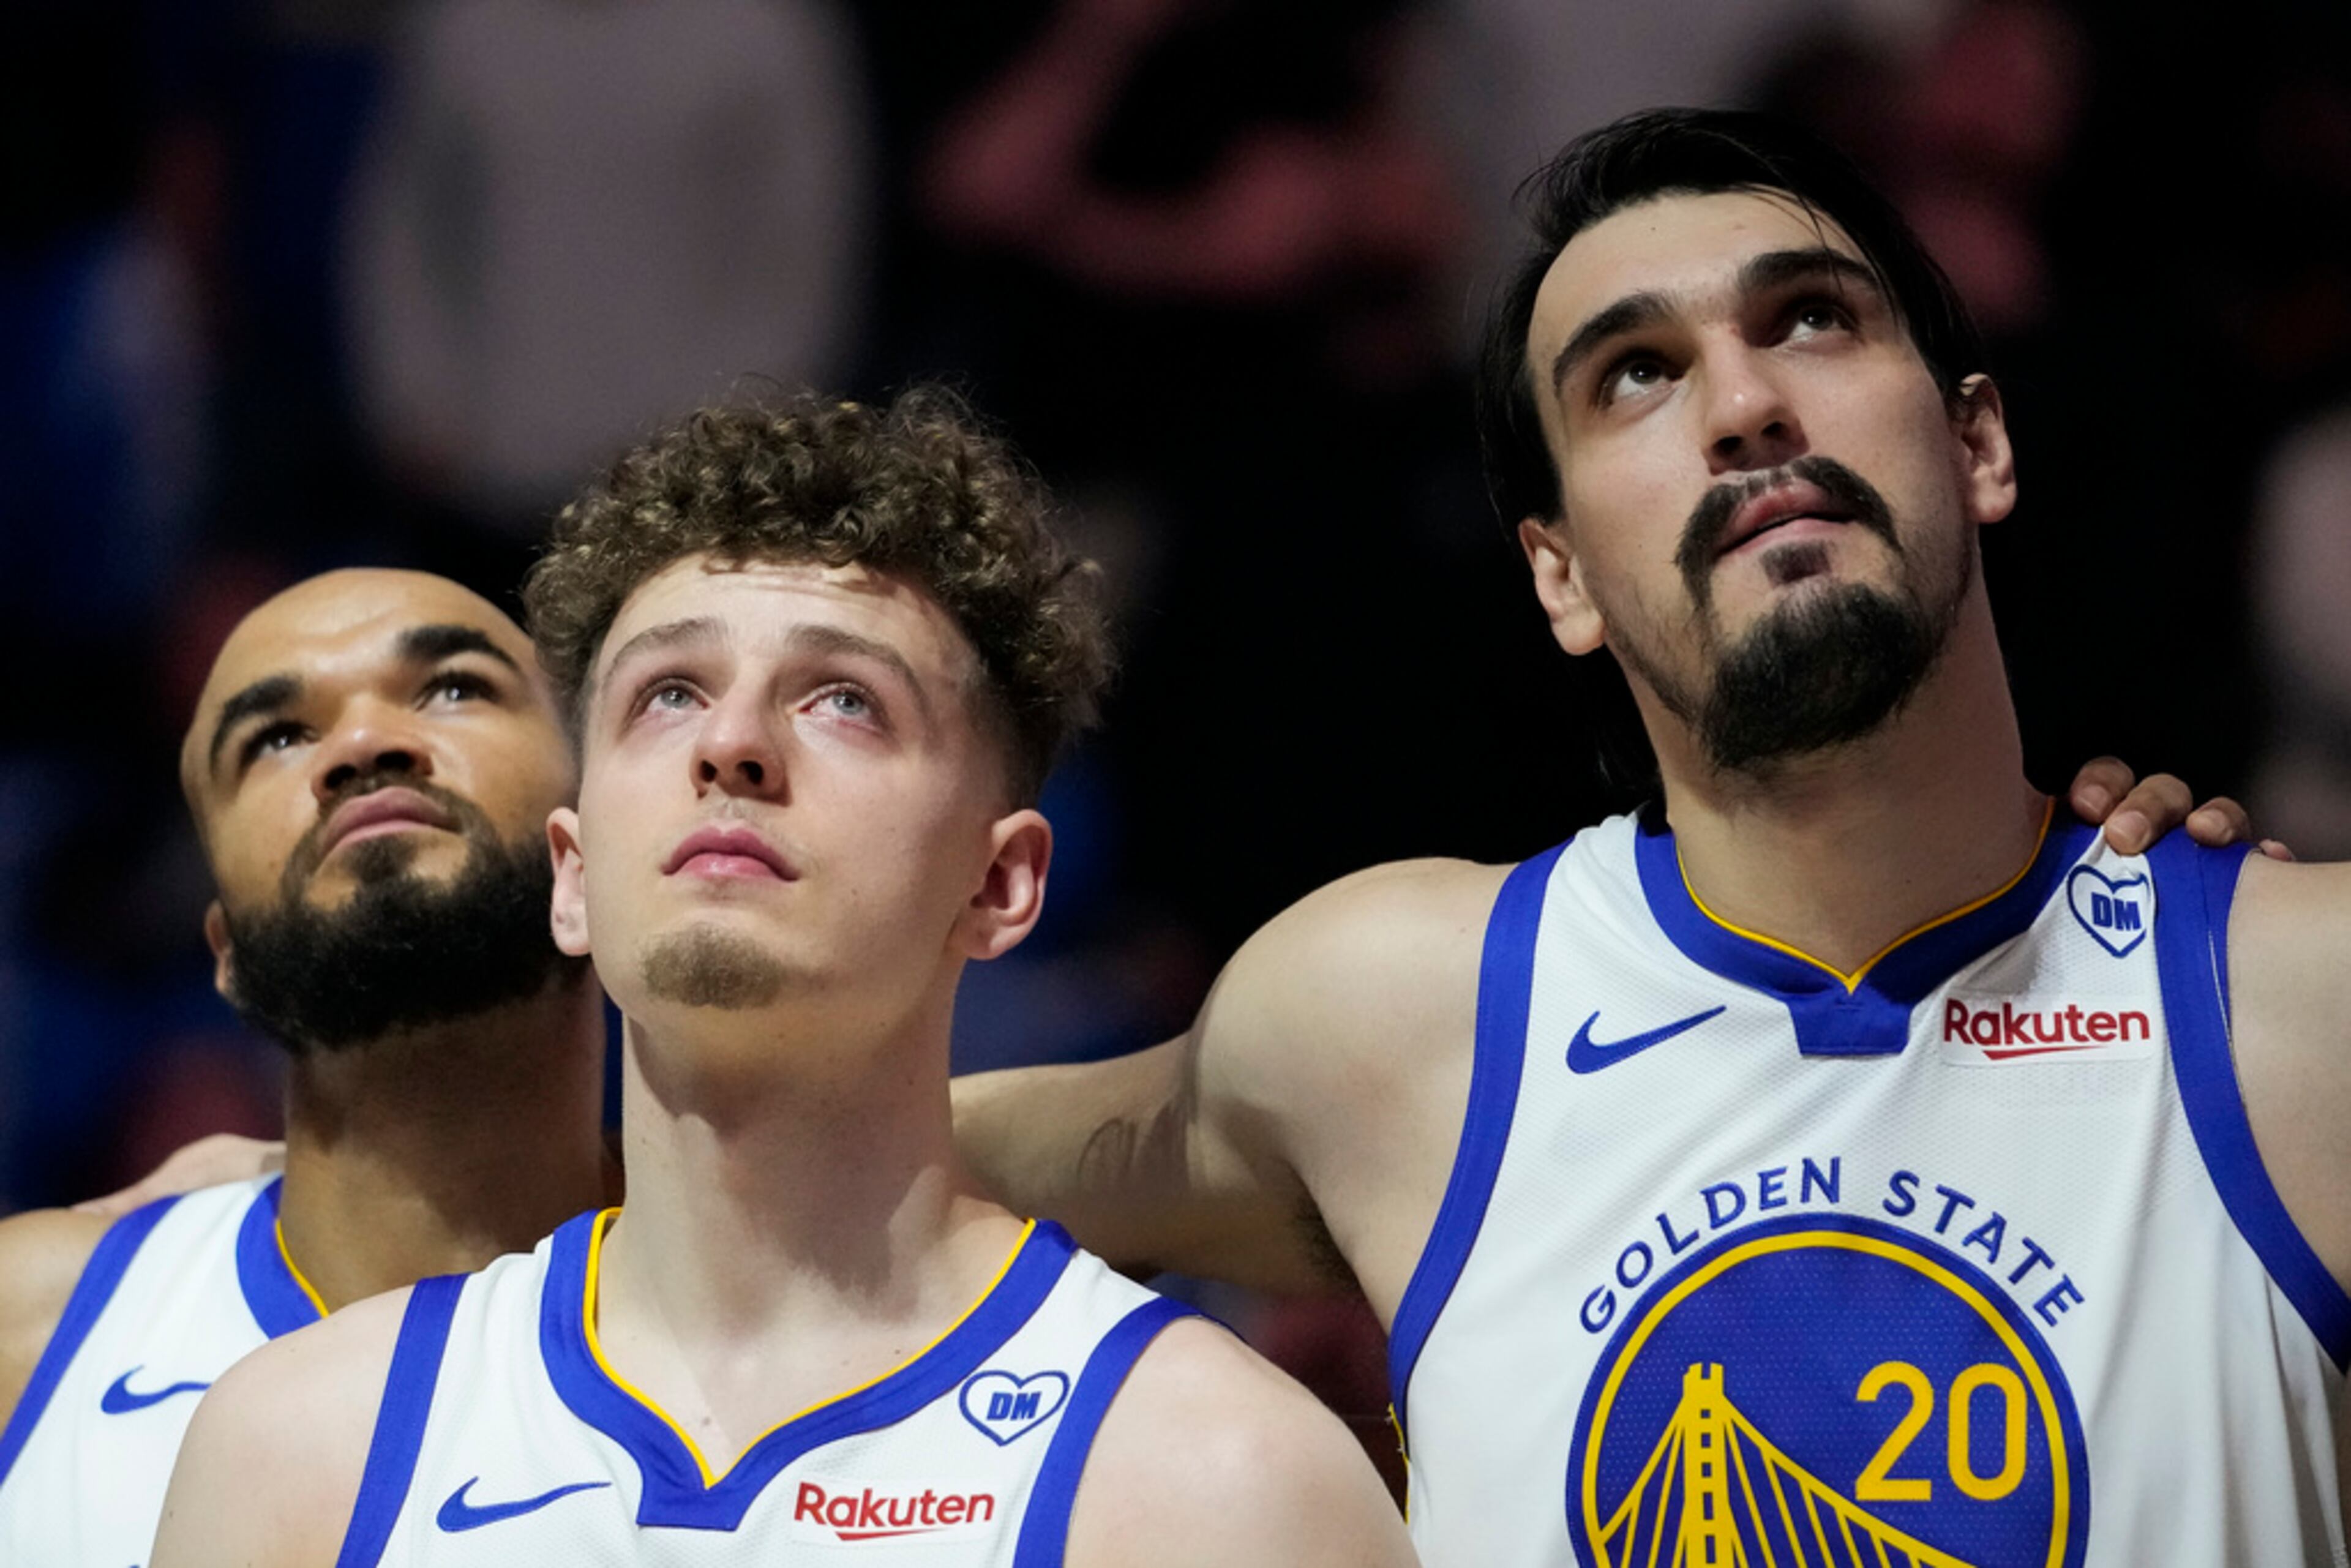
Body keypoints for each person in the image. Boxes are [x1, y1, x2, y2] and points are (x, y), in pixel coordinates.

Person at [947, 108, 2351, 1565]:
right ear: (1560, 577)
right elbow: (877, 1163)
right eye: (1636, 375)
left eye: (1809, 320)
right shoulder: (1394, 1016)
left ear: (1978, 441)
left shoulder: (2302, 1005)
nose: (1743, 406)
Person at [151, 391, 1416, 1566]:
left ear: (1002, 884)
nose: (733, 744)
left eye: (844, 702)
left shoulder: (1219, 1483)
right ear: (574, 878)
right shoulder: (300, 1454)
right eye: (669, 694)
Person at [0, 570, 612, 1563]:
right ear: (224, 951)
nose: (363, 746)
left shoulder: (804, 1278)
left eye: (452, 687)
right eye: (275, 738)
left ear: (600, 841)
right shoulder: (34, 1323)